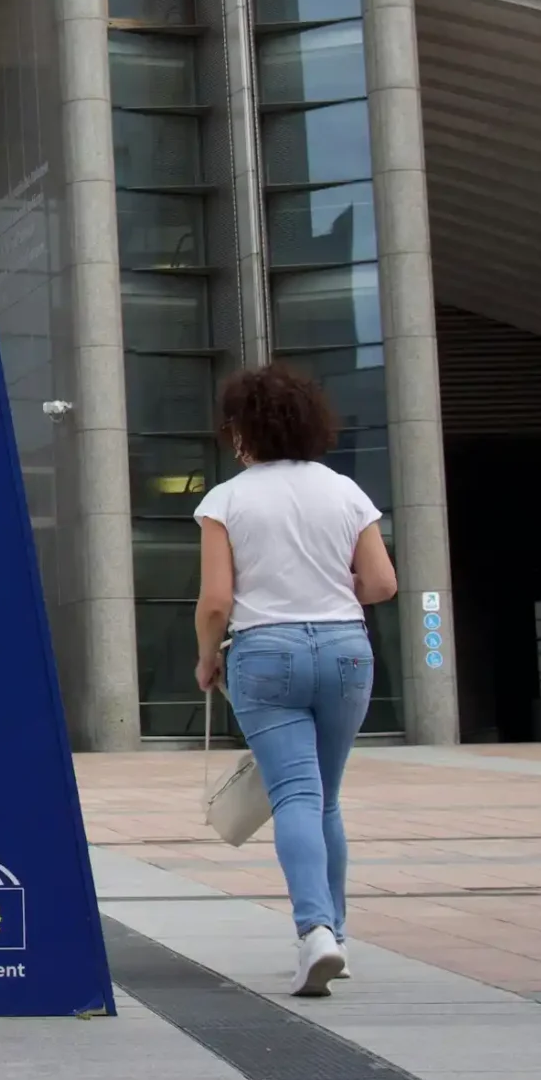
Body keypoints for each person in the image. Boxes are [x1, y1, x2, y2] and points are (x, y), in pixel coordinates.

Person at [194, 361, 397, 999]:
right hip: (345, 650)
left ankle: (315, 932)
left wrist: (206, 657)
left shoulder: (226, 499)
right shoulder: (345, 492)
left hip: (266, 652)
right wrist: (332, 587)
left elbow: (216, 602)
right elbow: (382, 584)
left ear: (242, 431)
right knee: (325, 798)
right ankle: (336, 933)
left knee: (295, 798)